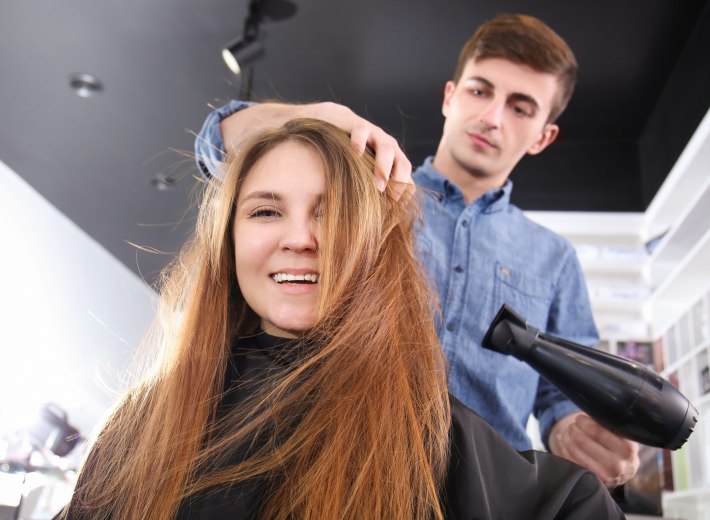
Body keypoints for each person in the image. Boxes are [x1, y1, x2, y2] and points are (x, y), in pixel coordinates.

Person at [57, 119, 622, 519]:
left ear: (372, 247)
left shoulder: (424, 434)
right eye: (266, 211)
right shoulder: (145, 421)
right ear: (227, 242)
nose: (300, 239)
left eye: (331, 214)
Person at [193, 14, 640, 487]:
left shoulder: (555, 259)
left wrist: (573, 427)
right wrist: (315, 116)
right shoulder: (369, 193)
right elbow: (213, 145)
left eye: (521, 107)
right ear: (451, 96)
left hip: (489, 495)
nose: (491, 117)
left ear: (543, 136)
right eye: (480, 91)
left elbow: (560, 396)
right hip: (343, 475)